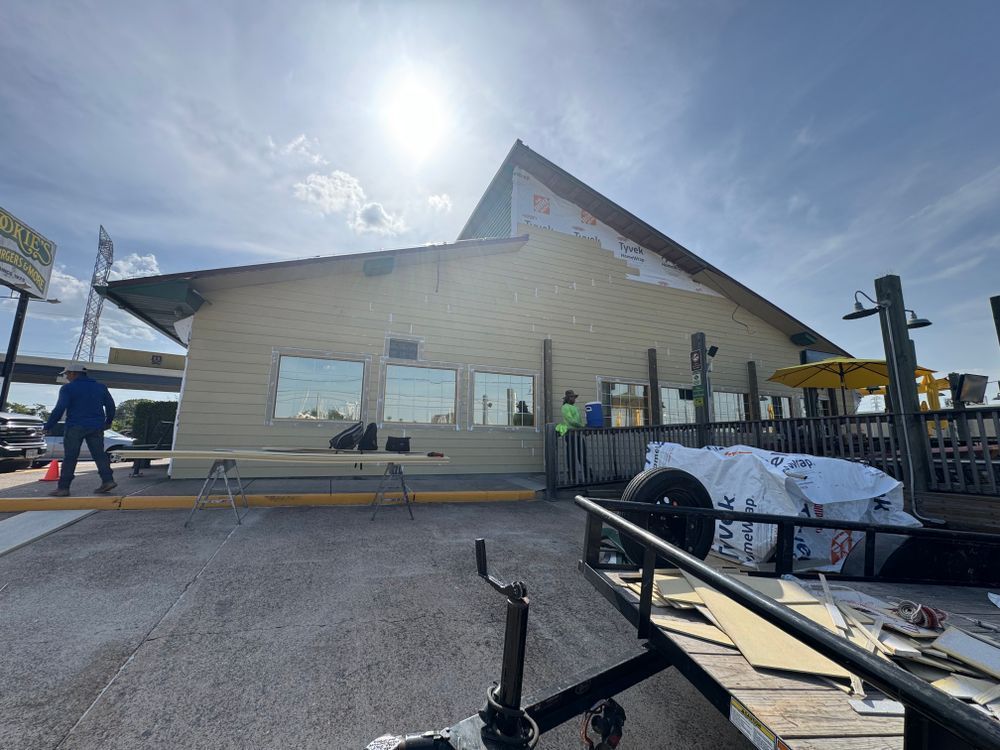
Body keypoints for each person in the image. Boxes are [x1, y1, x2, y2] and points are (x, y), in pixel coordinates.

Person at [43, 364, 117, 497]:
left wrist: (48, 426)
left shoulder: (68, 388)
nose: (66, 377)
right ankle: (108, 480)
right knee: (99, 455)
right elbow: (111, 406)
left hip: (75, 425)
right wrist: (108, 422)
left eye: (67, 374)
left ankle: (63, 488)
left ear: (73, 373)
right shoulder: (101, 387)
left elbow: (60, 408)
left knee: (70, 457)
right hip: (96, 426)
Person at [556, 389, 588, 482]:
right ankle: (572, 476)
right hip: (570, 435)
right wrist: (581, 426)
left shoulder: (576, 408)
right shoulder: (565, 407)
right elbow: (570, 420)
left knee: (583, 455)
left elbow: (580, 420)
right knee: (572, 456)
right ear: (567, 398)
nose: (573, 398)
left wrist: (583, 428)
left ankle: (587, 475)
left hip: (578, 434)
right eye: (571, 397)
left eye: (574, 397)